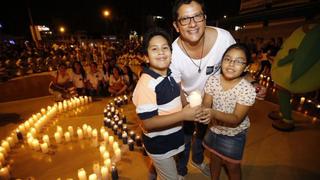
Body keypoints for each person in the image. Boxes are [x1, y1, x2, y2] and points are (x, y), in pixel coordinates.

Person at [170, 0, 236, 177]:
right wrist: (187, 111)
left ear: (205, 18)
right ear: (176, 26)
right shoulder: (173, 53)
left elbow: (236, 66)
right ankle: (181, 170)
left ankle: (198, 160)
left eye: (197, 16)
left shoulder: (224, 39)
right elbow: (176, 87)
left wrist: (252, 84)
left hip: (211, 101)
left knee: (202, 135)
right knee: (184, 137)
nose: (192, 24)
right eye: (184, 19)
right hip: (186, 100)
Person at [132, 27, 201, 180]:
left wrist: (188, 105)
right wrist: (183, 114)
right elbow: (149, 122)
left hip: (172, 138)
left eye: (165, 48)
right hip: (159, 143)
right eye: (154, 49)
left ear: (171, 52)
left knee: (164, 168)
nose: (161, 52)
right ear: (146, 57)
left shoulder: (170, 73)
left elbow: (179, 93)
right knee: (168, 176)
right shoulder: (147, 84)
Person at [199, 43, 256, 180]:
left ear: (246, 67)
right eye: (228, 59)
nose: (231, 64)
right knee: (215, 159)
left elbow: (236, 118)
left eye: (239, 61)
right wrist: (203, 112)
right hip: (214, 129)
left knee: (232, 166)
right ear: (222, 61)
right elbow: (206, 103)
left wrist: (213, 113)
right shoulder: (213, 80)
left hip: (234, 134)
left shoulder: (246, 89)